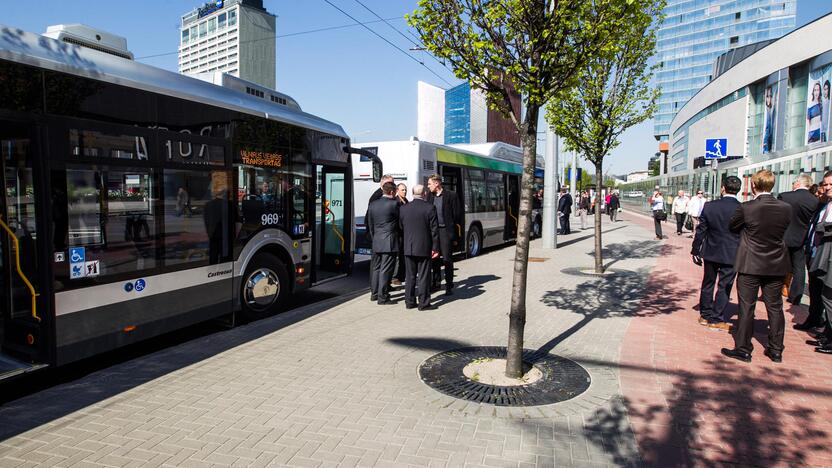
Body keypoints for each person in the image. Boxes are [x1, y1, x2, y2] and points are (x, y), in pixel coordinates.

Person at [721, 169, 792, 363]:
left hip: (750, 263)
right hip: (776, 263)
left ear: (753, 185)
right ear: (772, 185)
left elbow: (732, 227)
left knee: (747, 306)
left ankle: (743, 348)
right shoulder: (786, 208)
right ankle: (776, 349)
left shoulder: (747, 207)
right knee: (775, 307)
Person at [691, 176, 742, 331]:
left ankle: (705, 315)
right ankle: (717, 317)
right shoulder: (742, 208)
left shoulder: (710, 206)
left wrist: (695, 249)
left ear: (723, 188)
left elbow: (701, 229)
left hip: (711, 250)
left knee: (708, 283)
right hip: (732, 253)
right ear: (738, 190)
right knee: (724, 286)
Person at [778, 174, 819, 305]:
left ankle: (773, 292)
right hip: (801, 239)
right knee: (799, 268)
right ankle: (795, 297)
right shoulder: (814, 201)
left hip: (782, 237)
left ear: (797, 183)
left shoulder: (784, 196)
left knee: (777, 265)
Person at [399, 184, 440, 311]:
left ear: (412, 194)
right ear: (424, 194)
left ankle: (409, 302)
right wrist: (435, 248)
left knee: (410, 276)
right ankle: (423, 303)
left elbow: (401, 227)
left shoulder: (404, 208)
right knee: (423, 276)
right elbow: (434, 230)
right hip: (424, 247)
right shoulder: (430, 208)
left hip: (408, 247)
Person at [802, 174, 830, 336]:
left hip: (824, 255)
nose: (824, 192)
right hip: (812, 251)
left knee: (824, 293)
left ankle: (825, 327)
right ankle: (814, 319)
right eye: (820, 192)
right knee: (814, 289)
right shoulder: (821, 208)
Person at [426, 174, 463, 295]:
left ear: (437, 184)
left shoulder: (451, 195)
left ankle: (449, 285)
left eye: (429, 183)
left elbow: (457, 214)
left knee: (447, 259)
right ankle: (436, 283)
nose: (428, 186)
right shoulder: (429, 197)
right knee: (434, 258)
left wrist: (453, 232)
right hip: (433, 232)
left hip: (445, 232)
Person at [366, 182, 400, 305]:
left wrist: (374, 237)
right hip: (389, 241)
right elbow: (400, 222)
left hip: (376, 240)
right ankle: (383, 297)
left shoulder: (373, 204)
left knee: (375, 268)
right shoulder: (395, 204)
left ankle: (374, 294)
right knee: (386, 270)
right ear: (392, 192)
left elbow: (370, 224)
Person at [391, 183, 409, 286]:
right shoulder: (396, 202)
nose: (404, 192)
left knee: (403, 255)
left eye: (405, 190)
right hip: (398, 233)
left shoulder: (405, 201)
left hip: (404, 233)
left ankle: (402, 276)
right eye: (403, 190)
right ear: (397, 190)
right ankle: (395, 277)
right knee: (397, 256)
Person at [763, 85, 776, 152]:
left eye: (771, 96)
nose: (769, 99)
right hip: (765, 143)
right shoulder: (765, 111)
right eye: (767, 96)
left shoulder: (772, 111)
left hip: (770, 142)